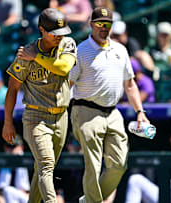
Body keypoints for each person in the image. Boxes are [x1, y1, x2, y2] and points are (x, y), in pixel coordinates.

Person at [68, 7, 150, 202]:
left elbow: (130, 85)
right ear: (91, 25)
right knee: (94, 166)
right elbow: (67, 85)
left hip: (113, 113)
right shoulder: (80, 51)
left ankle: (89, 200)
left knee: (119, 164)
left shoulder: (121, 50)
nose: (103, 28)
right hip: (85, 110)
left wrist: (140, 112)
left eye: (107, 24)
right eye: (99, 24)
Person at [2, 8, 77, 203]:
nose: (60, 37)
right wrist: (7, 122)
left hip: (61, 116)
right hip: (36, 117)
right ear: (42, 30)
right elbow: (12, 89)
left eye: (62, 32)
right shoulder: (24, 56)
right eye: (55, 33)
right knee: (46, 164)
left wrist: (36, 57)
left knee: (42, 169)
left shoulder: (66, 43)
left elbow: (64, 68)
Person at [0, 134, 30, 203]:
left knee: (8, 190)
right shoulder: (0, 162)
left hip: (26, 198)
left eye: (13, 146)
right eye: (8, 146)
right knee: (7, 191)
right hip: (5, 199)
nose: (11, 150)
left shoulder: (29, 162)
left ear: (21, 147)